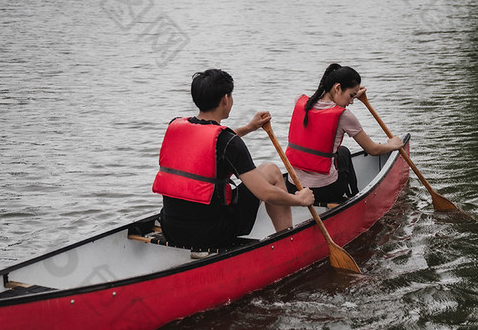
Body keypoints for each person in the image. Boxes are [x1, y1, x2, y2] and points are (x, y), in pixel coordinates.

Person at [152, 68, 315, 249]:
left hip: (171, 228)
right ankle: (287, 244)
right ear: (225, 99)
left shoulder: (177, 126)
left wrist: (249, 127)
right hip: (212, 234)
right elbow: (265, 193)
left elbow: (212, 143)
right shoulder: (229, 143)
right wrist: (300, 200)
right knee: (273, 172)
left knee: (261, 174)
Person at [285, 62, 404, 204]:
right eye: (351, 96)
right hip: (323, 190)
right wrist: (392, 145)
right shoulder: (344, 116)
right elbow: (372, 149)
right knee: (344, 152)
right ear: (337, 88)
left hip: (293, 186)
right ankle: (354, 197)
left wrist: (351, 94)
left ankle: (349, 198)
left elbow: (322, 104)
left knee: (340, 153)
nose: (352, 102)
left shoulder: (300, 101)